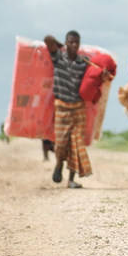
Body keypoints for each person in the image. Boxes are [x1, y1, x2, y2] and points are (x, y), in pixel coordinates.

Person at [45, 30, 113, 187]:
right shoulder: (58, 57)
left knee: (76, 144)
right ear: (66, 42)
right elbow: (47, 39)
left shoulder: (84, 62)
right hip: (61, 107)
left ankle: (71, 180)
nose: (74, 45)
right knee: (61, 143)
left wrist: (102, 73)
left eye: (77, 42)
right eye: (71, 42)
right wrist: (60, 46)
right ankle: (58, 165)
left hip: (78, 108)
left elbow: (96, 77)